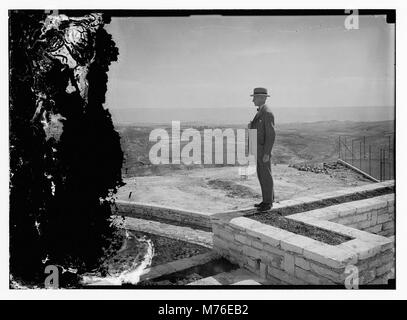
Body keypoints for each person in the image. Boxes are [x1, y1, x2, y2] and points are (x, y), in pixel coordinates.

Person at [249, 87, 276, 212]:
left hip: (263, 151)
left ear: (261, 98)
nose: (253, 100)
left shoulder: (267, 113)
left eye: (254, 97)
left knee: (266, 175)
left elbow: (271, 135)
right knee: (262, 174)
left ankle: (268, 202)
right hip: (258, 150)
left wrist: (267, 153)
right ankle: (266, 199)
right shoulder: (261, 112)